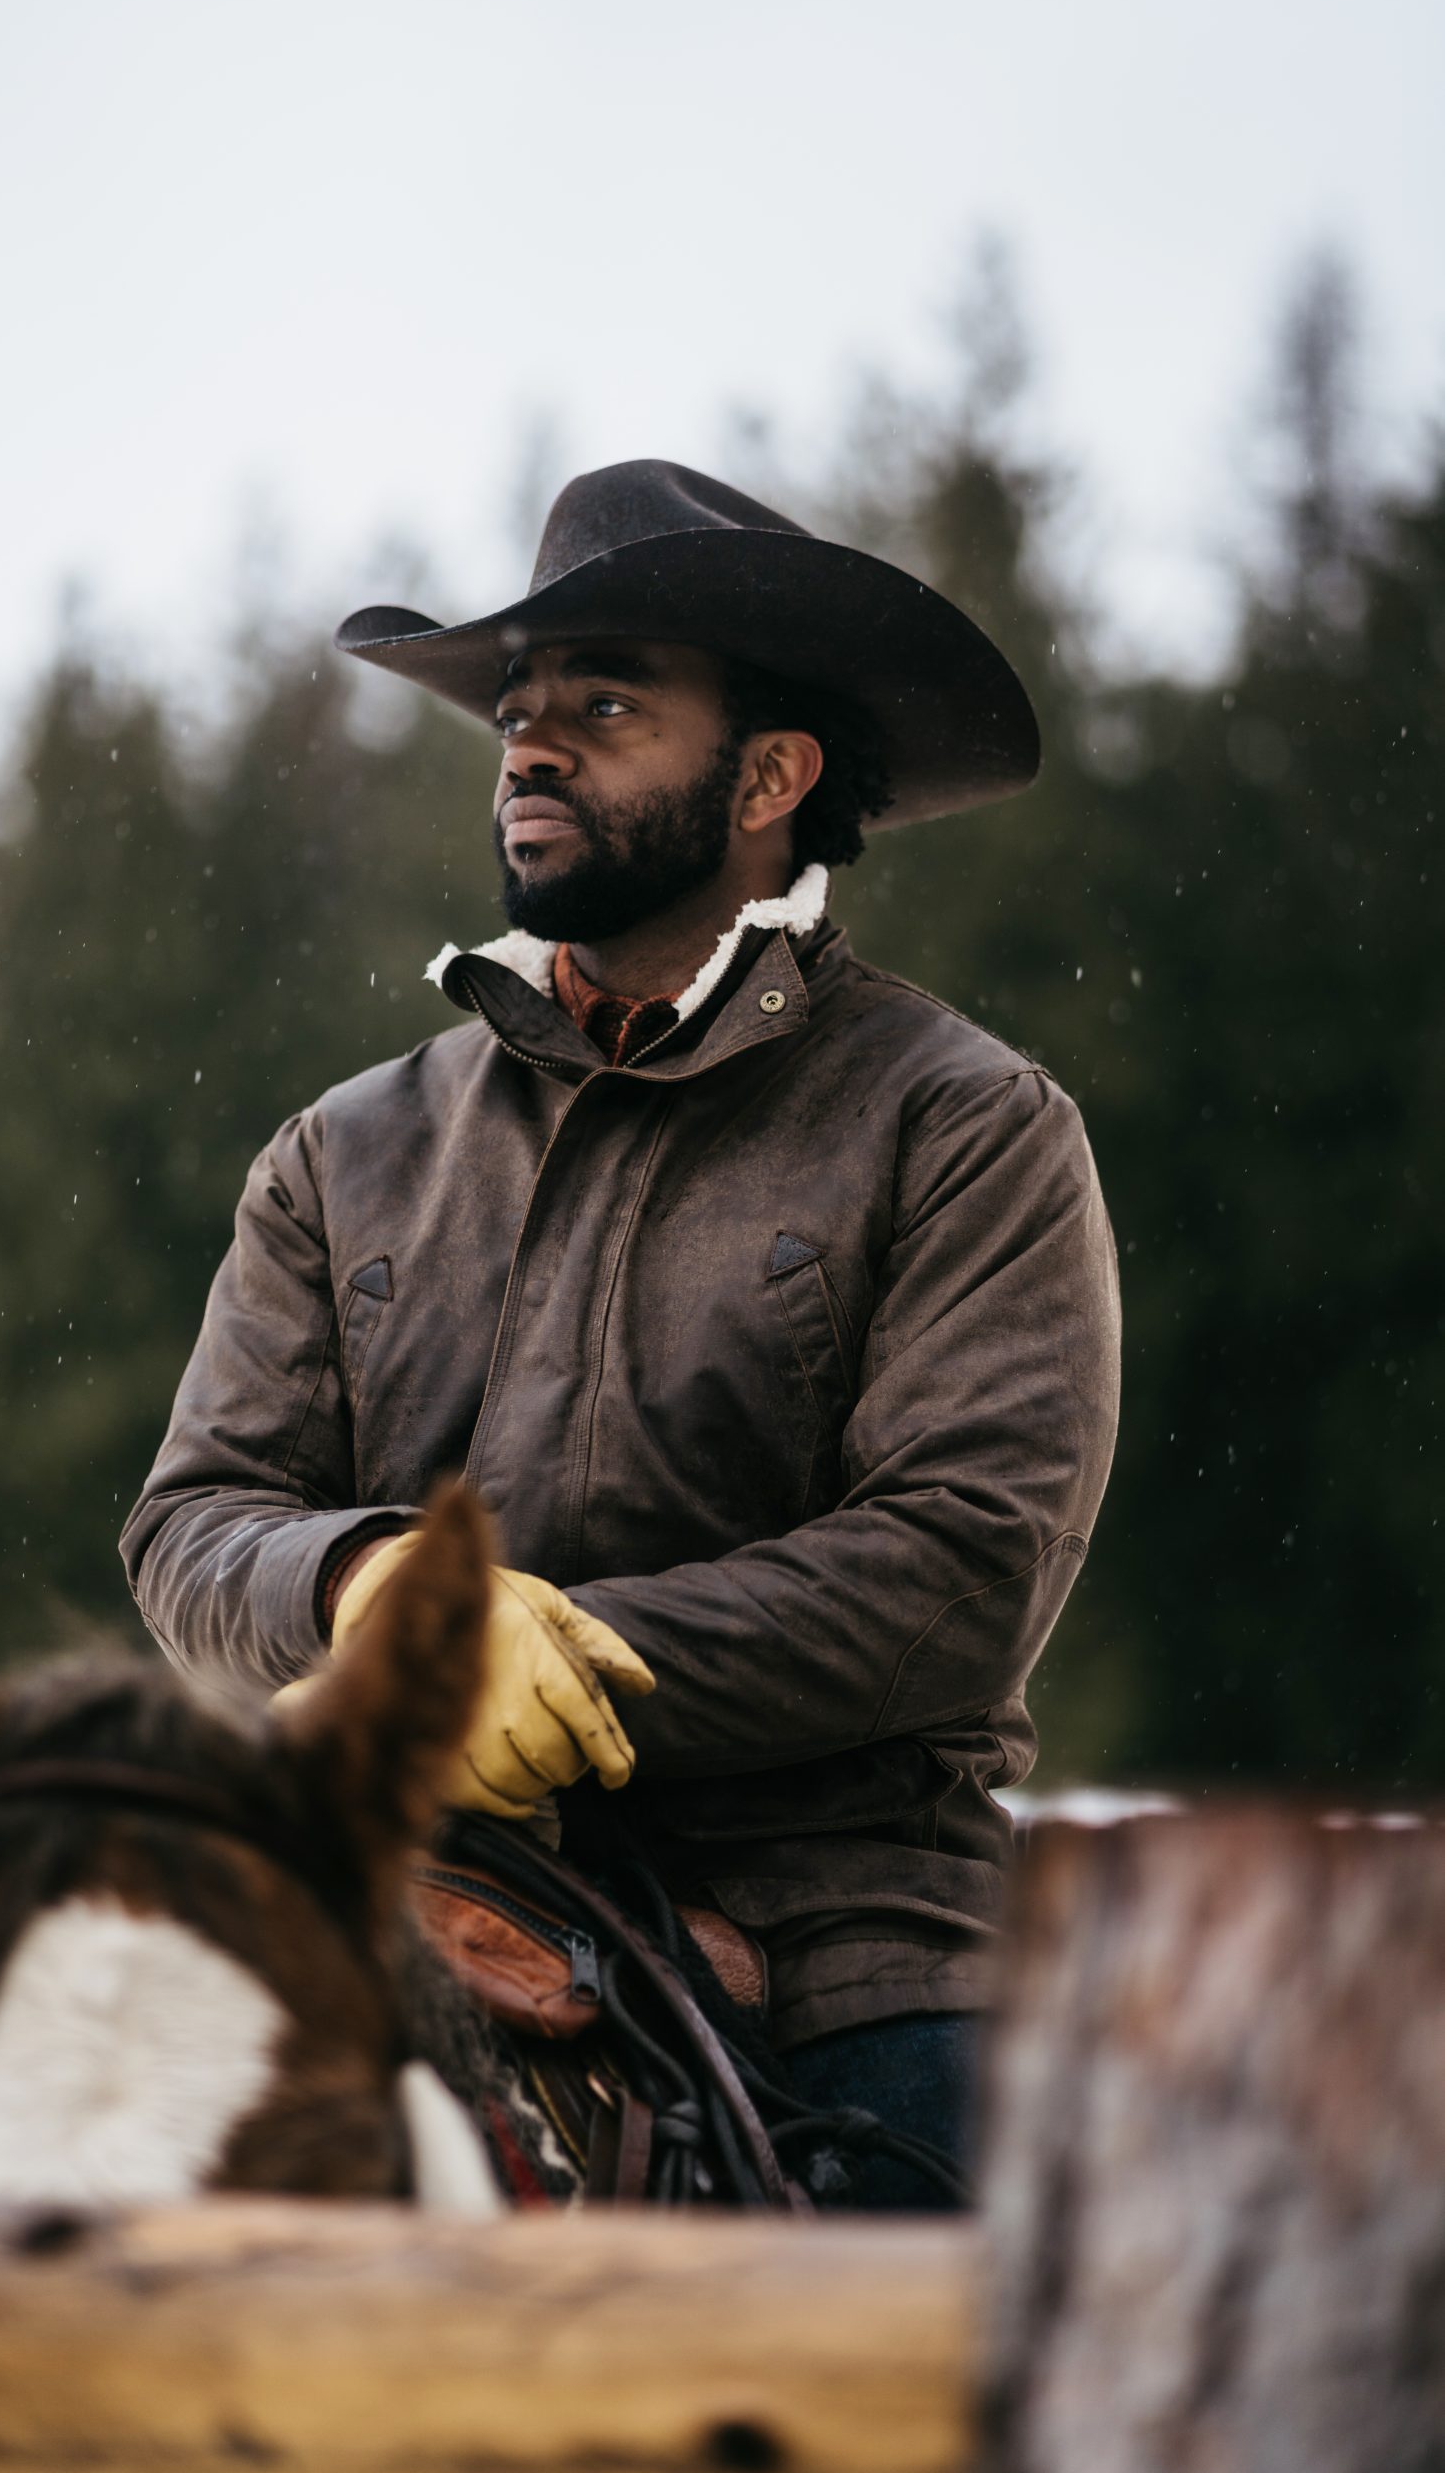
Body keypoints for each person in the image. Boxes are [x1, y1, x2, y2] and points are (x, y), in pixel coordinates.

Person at [122, 460, 1121, 2207]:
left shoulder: (966, 1123)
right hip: (400, 1867)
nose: (529, 747)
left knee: (941, 2353)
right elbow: (194, 1521)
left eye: (604, 706)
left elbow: (961, 1566)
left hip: (845, 1933)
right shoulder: (342, 1152)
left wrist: (561, 1659)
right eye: (517, 713)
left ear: (771, 776)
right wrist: (374, 1597)